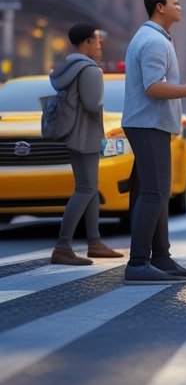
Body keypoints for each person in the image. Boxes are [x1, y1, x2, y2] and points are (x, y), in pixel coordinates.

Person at [122, 0, 186, 286]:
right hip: (149, 124)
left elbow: (158, 84)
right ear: (161, 7)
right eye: (176, 2)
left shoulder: (156, 38)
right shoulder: (153, 40)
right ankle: (138, 263)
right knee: (154, 192)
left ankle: (160, 257)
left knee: (154, 191)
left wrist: (185, 87)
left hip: (152, 123)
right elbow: (153, 87)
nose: (180, 6)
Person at [49, 24, 122, 265]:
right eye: (96, 40)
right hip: (86, 136)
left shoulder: (69, 66)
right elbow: (92, 105)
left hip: (73, 134)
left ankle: (95, 242)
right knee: (86, 189)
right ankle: (63, 246)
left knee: (89, 187)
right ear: (87, 43)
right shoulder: (90, 70)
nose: (100, 44)